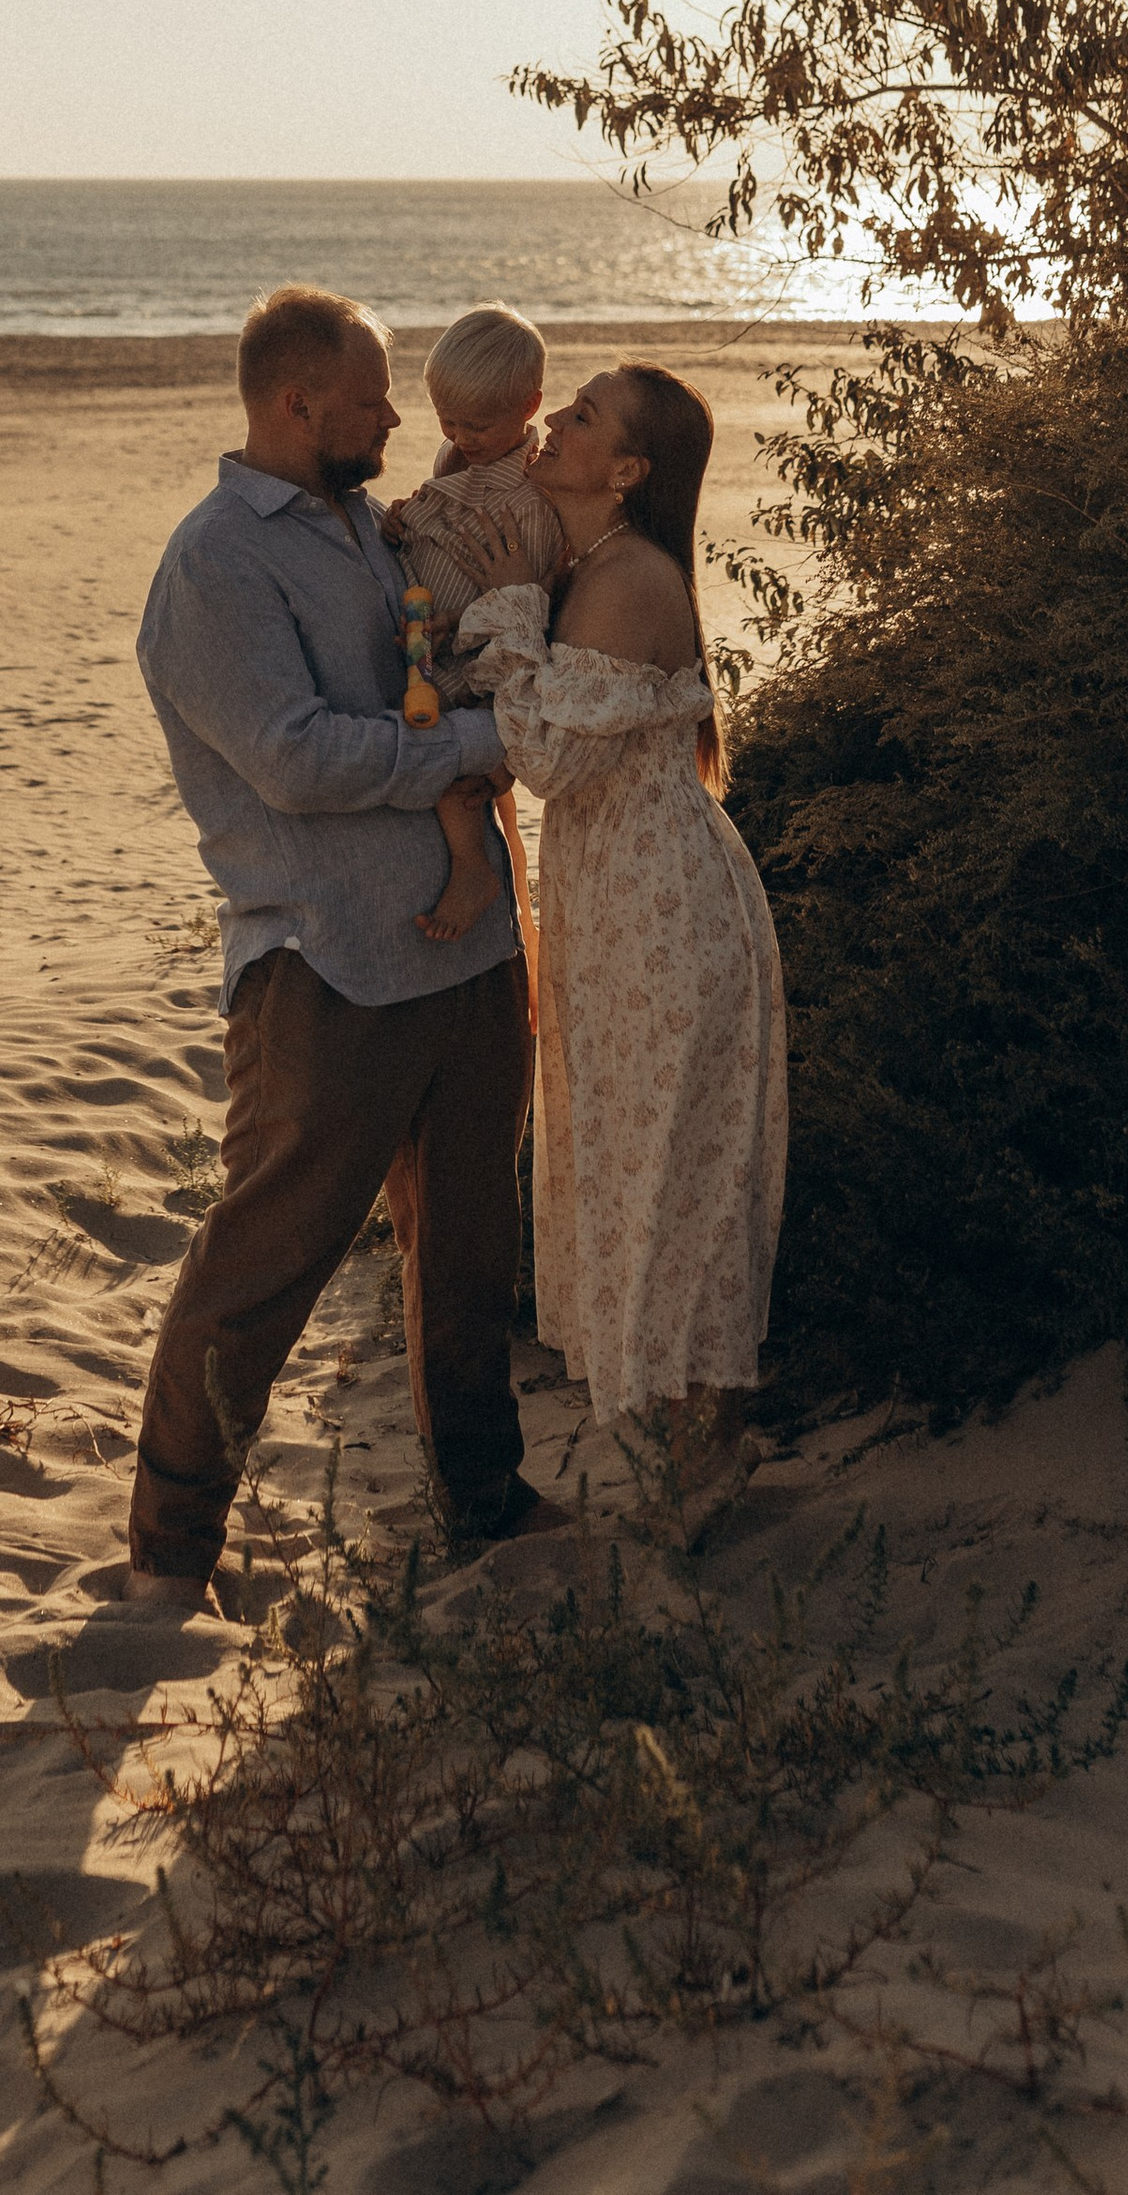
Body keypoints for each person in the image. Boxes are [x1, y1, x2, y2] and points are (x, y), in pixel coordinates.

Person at [126, 285, 563, 1607]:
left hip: (471, 950)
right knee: (264, 1262)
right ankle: (168, 1557)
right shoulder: (217, 565)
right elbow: (297, 759)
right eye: (373, 393)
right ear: (292, 403)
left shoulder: (371, 530)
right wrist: (491, 749)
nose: (395, 411)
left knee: (472, 1253)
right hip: (330, 968)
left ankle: (486, 1497)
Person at [460, 364, 787, 1499]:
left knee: (668, 1179)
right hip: (620, 902)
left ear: (629, 470)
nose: (553, 421)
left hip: (658, 907)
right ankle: (680, 1466)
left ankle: (693, 1470)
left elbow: (549, 762)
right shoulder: (591, 564)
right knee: (632, 1166)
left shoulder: (629, 579)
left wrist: (505, 616)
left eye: (583, 417)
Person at [381, 304, 565, 948]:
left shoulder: (541, 493)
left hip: (491, 648)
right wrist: (401, 519)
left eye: (477, 423)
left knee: (457, 772)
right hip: (434, 629)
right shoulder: (455, 462)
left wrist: (484, 614)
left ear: (530, 405)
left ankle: (471, 870)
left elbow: (553, 579)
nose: (460, 435)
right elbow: (438, 514)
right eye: (446, 419)